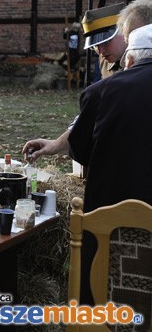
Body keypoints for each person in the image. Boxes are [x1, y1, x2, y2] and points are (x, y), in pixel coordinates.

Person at [68, 25, 152, 320]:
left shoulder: (102, 91)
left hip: (112, 211)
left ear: (129, 60)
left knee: (104, 282)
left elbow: (80, 150)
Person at [22, 3, 128, 161]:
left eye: (106, 42)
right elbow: (95, 111)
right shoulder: (106, 59)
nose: (101, 51)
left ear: (125, 32)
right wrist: (56, 144)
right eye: (96, 45)